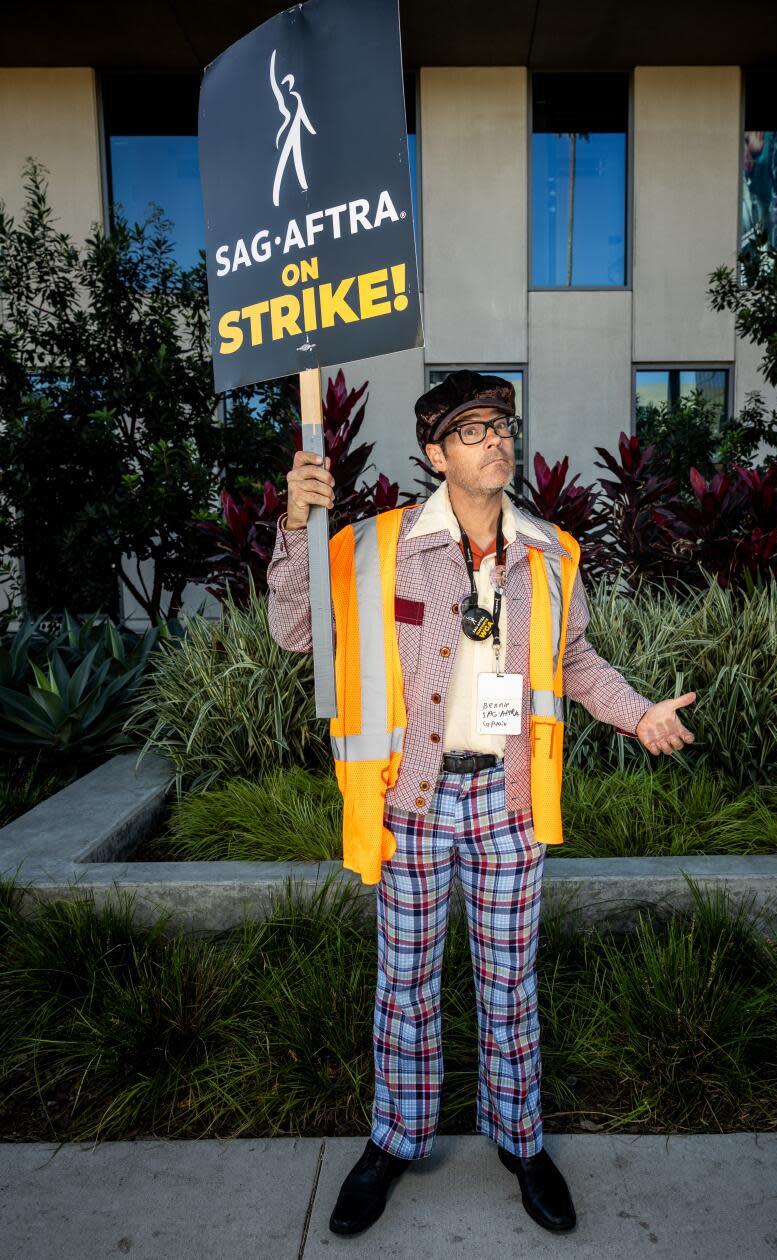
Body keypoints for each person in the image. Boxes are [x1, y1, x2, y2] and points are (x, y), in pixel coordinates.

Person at [266, 369, 696, 1237]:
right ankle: (393, 1139)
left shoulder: (549, 554)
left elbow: (574, 663)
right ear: (435, 455)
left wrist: (638, 713)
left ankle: (521, 1139)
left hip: (506, 804)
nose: (495, 439)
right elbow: (296, 630)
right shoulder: (372, 546)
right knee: (406, 985)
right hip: (411, 801)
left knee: (508, 985)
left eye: (501, 425)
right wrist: (294, 525)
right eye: (471, 431)